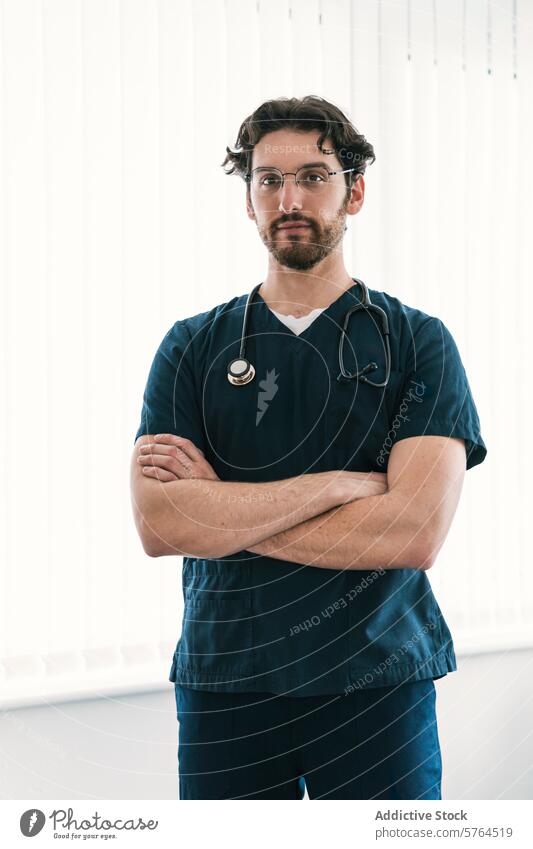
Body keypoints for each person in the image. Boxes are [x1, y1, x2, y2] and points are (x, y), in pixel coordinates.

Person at [130, 95, 487, 800]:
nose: (288, 197)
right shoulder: (192, 346)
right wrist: (336, 486)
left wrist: (222, 514)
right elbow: (161, 524)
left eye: (313, 175)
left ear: (353, 190)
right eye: (267, 179)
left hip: (376, 681)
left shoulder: (418, 342)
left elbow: (412, 531)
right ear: (248, 199)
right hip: (227, 683)